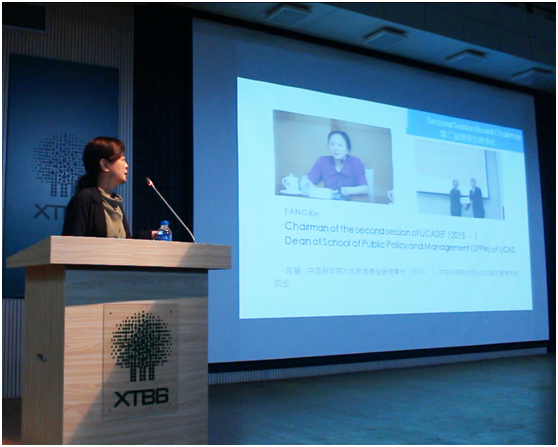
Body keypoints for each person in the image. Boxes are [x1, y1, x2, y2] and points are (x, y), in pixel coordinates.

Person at [62, 136, 131, 237]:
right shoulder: (84, 199)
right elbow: (71, 242)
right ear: (105, 165)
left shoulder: (115, 202)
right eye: (123, 159)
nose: (126, 165)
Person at [307, 130, 368, 196]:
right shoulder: (322, 161)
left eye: (340, 145)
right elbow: (308, 180)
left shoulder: (355, 162)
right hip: (329, 201)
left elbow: (365, 188)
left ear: (347, 149)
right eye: (332, 144)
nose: (335, 148)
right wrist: (306, 182)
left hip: (351, 201)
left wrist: (347, 190)